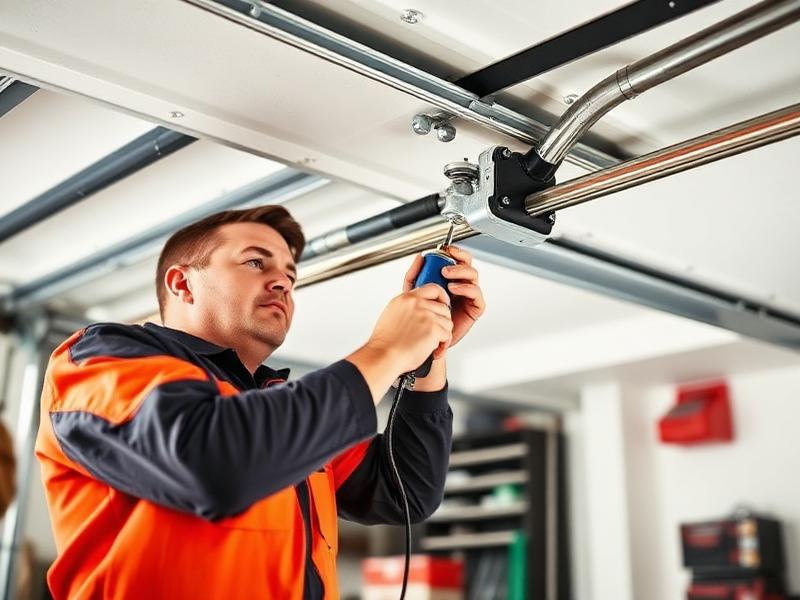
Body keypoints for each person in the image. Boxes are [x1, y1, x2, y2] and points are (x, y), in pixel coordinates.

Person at [35, 205, 485, 599]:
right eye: (256, 262)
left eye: (290, 275)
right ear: (182, 284)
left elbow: (403, 493)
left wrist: (424, 355)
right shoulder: (99, 358)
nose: (283, 283)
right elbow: (214, 459)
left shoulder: (283, 407)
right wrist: (385, 349)